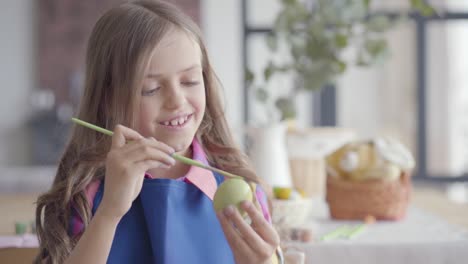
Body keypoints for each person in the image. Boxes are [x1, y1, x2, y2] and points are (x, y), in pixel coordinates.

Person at [34, 1, 281, 263]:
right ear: (108, 98)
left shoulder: (241, 187)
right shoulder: (87, 192)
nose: (176, 100)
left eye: (190, 81)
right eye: (150, 89)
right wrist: (109, 212)